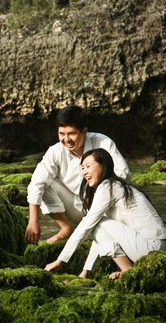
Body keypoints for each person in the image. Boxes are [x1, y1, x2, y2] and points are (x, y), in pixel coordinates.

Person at [44, 148, 166, 279]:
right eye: (82, 168)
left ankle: (127, 271)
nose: (84, 172)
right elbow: (101, 235)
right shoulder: (115, 186)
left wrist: (60, 260)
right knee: (98, 223)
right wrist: (86, 271)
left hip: (151, 248)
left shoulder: (109, 186)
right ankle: (126, 270)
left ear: (103, 165)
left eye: (88, 166)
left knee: (93, 222)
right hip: (160, 248)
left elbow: (89, 225)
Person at [25, 105, 130, 245]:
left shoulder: (102, 142)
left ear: (84, 131)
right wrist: (33, 221)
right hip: (76, 207)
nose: (66, 139)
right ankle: (66, 228)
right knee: (44, 183)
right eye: (62, 134)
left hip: (106, 207)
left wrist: (101, 196)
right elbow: (36, 184)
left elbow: (123, 175)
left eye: (71, 134)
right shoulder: (55, 151)